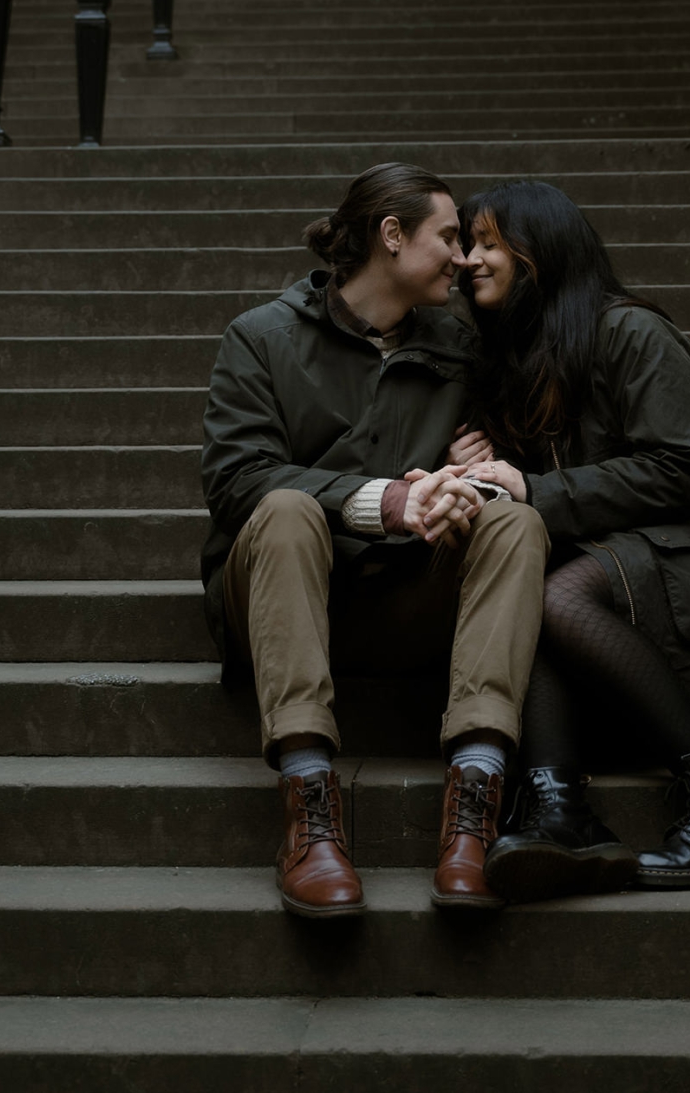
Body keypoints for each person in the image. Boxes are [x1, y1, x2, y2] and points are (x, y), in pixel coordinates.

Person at [200, 162, 549, 917]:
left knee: (515, 519)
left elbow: (515, 462)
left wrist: (475, 481)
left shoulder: (461, 348)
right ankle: (310, 810)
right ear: (391, 237)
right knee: (288, 508)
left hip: (409, 599)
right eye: (450, 237)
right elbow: (234, 482)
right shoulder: (260, 338)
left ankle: (474, 809)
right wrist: (387, 501)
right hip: (285, 596)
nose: (464, 258)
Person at [451, 179, 690, 902]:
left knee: (550, 597)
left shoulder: (633, 333)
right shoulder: (519, 362)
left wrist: (533, 488)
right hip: (617, 561)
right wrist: (479, 462)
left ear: (540, 254)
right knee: (529, 592)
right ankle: (556, 805)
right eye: (466, 243)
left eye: (487, 243)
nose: (468, 260)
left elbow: (676, 470)